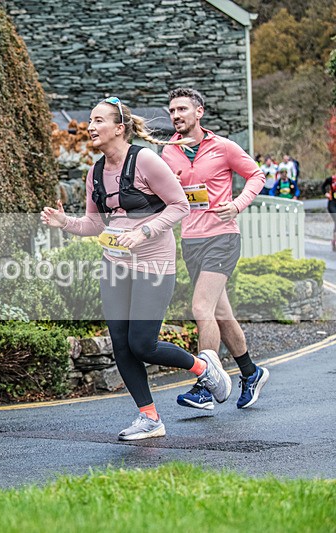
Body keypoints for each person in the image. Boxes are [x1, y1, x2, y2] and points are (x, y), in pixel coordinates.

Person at [41, 97, 231, 441]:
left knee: (143, 344)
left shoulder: (144, 160)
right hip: (115, 265)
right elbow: (94, 225)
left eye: (99, 120)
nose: (91, 127)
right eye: (91, 121)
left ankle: (204, 368)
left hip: (153, 263)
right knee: (121, 345)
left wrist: (144, 231)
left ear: (119, 127)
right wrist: (64, 222)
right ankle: (149, 418)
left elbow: (180, 205)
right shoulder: (95, 172)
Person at [161, 87, 269, 411]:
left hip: (222, 236)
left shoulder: (223, 147)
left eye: (182, 109)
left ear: (199, 112)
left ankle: (206, 385)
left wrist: (237, 205)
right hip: (191, 240)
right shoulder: (168, 152)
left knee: (201, 309)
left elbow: (256, 175)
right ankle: (251, 372)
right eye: (172, 111)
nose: (176, 115)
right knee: (221, 314)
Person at [321, 175, 336, 251]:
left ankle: (334, 240)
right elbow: (323, 186)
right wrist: (325, 193)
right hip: (332, 203)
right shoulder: (331, 179)